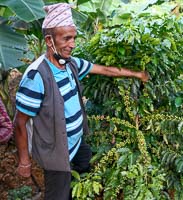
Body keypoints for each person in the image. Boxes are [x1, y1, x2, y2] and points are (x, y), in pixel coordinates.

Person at [13, 3, 148, 200]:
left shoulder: (71, 64)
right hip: (56, 151)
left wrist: (137, 74)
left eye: (74, 38)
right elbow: (20, 122)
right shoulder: (37, 76)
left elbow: (105, 70)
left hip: (75, 143)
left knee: (85, 163)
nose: (73, 44)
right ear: (49, 40)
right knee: (58, 194)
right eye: (66, 38)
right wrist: (24, 161)